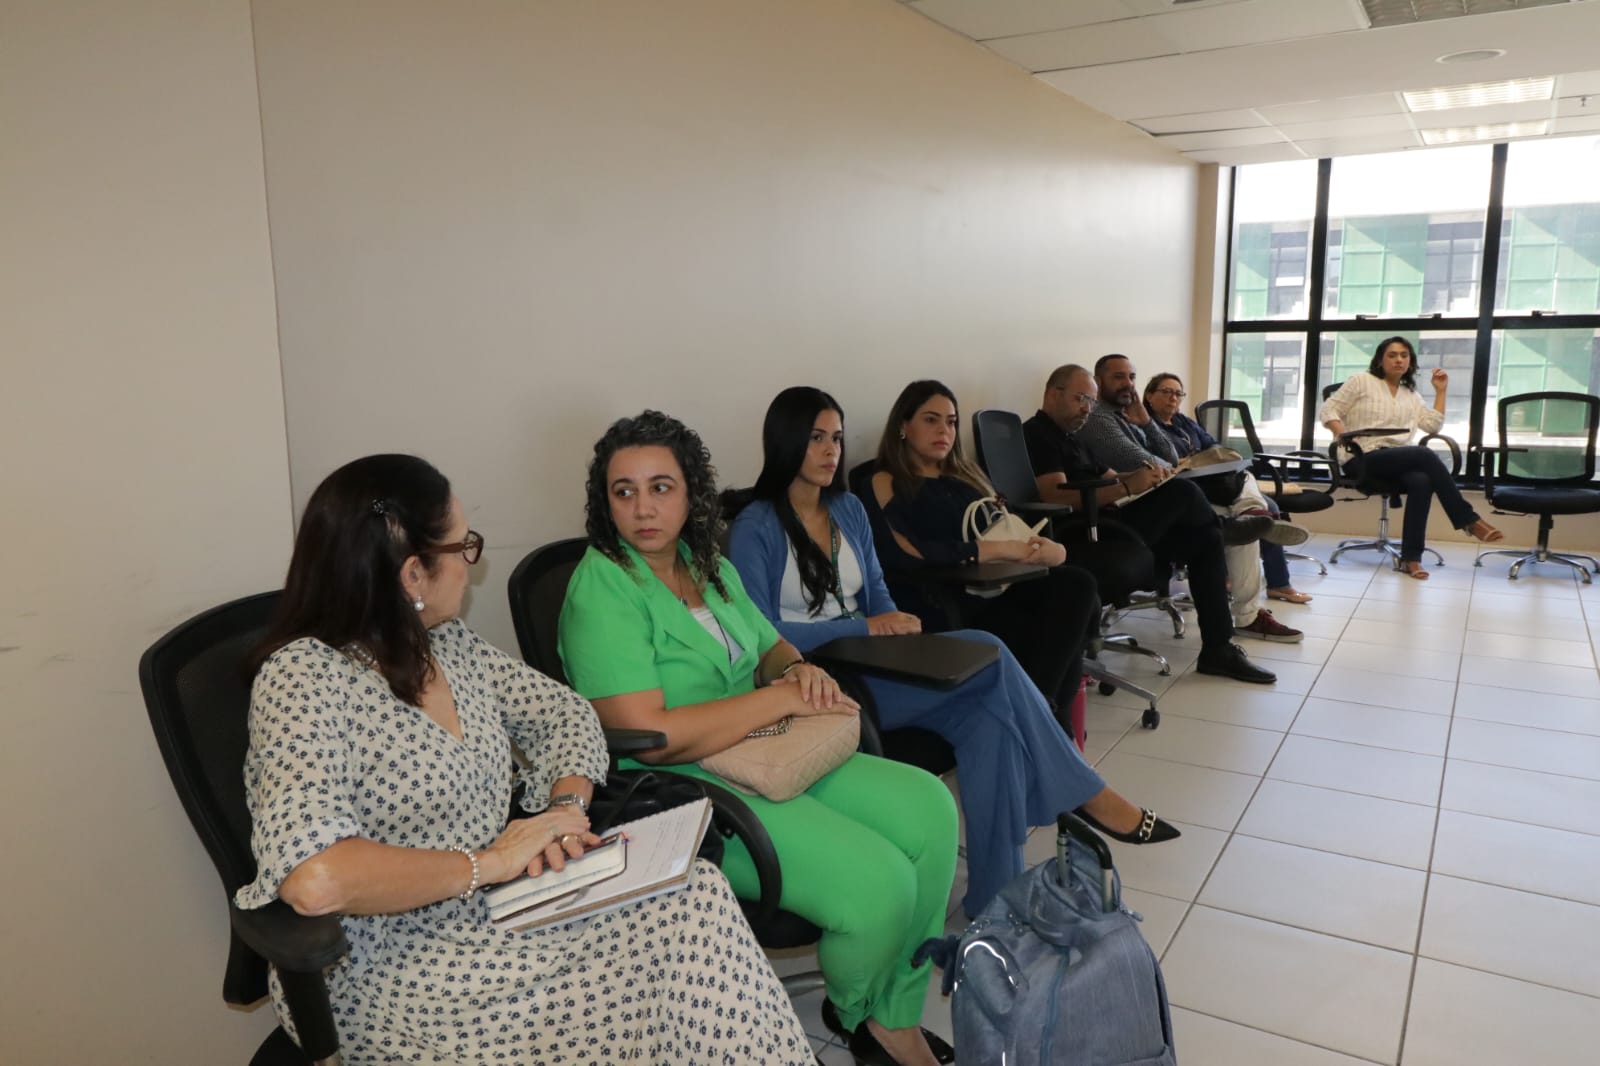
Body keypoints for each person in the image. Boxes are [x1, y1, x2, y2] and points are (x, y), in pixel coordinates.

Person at [234, 454, 812, 1066]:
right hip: (390, 968)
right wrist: (489, 862)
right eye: (463, 546)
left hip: (498, 910)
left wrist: (564, 810)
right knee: (663, 973)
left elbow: (567, 715)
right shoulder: (302, 679)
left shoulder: (446, 645)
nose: (470, 562)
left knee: (695, 896)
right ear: (412, 575)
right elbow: (316, 878)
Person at [558, 411, 957, 1066]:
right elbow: (653, 738)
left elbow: (770, 647)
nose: (643, 508)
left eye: (661, 487)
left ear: (692, 493)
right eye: (623, 491)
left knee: (931, 809)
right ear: (605, 503)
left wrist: (799, 671)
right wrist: (777, 697)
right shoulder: (601, 589)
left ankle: (894, 1014)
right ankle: (857, 1009)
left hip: (768, 749)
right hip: (686, 789)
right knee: (880, 883)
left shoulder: (704, 562)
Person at [728, 387, 1180, 908]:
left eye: (837, 437)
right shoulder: (755, 526)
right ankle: (1087, 793)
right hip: (819, 680)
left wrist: (892, 622)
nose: (832, 451)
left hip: (877, 660)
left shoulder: (846, 508)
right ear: (785, 441)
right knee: (987, 650)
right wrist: (868, 628)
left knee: (990, 718)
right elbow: (761, 636)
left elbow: (876, 591)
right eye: (816, 438)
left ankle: (996, 900)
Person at [862, 380, 1109, 723]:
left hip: (997, 588)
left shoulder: (965, 474)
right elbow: (907, 552)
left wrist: (1051, 550)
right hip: (946, 599)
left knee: (1077, 584)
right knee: (1065, 626)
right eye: (931, 420)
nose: (944, 431)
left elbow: (1006, 524)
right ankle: (1045, 716)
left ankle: (1040, 708)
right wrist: (991, 550)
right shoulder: (884, 479)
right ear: (903, 426)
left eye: (951, 422)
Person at [1024, 365, 1279, 684]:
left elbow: (1110, 477)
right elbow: (1054, 495)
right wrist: (1128, 487)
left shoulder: (1073, 439)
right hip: (1086, 531)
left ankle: (1218, 649)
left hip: (1110, 518)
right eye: (1080, 399)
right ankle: (1225, 526)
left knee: (1205, 540)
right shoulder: (1038, 434)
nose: (1087, 409)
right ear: (1053, 394)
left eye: (1090, 401)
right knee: (1185, 493)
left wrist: (1144, 477)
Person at [1075, 354, 1305, 644]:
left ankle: (1245, 529)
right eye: (1118, 377)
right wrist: (1171, 464)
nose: (1128, 384)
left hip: (1166, 495)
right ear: (1098, 382)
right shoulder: (1098, 419)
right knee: (1221, 520)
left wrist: (1145, 422)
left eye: (1132, 377)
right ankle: (1246, 611)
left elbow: (1170, 457)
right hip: (1136, 505)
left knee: (1240, 506)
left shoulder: (1129, 416)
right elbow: (1149, 463)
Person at [1319, 336, 1503, 580]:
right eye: (1392, 355)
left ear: (1410, 362)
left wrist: (1441, 391)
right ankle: (1468, 519)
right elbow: (1328, 409)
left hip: (1396, 460)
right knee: (1423, 454)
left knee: (1421, 480)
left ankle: (1411, 558)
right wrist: (1343, 435)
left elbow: (1432, 425)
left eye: (1404, 355)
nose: (1399, 360)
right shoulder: (1361, 381)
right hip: (1362, 457)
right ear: (1380, 360)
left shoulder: (1411, 394)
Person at [1143, 371, 1314, 607]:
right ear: (1149, 396)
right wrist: (1189, 461)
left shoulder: (1184, 422)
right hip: (1187, 488)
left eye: (1178, 393)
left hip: (1212, 479)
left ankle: (1278, 583)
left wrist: (1209, 458)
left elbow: (1214, 446)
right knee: (1258, 512)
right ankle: (1231, 564)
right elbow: (1159, 460)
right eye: (1166, 392)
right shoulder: (1145, 426)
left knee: (1266, 503)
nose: (1173, 398)